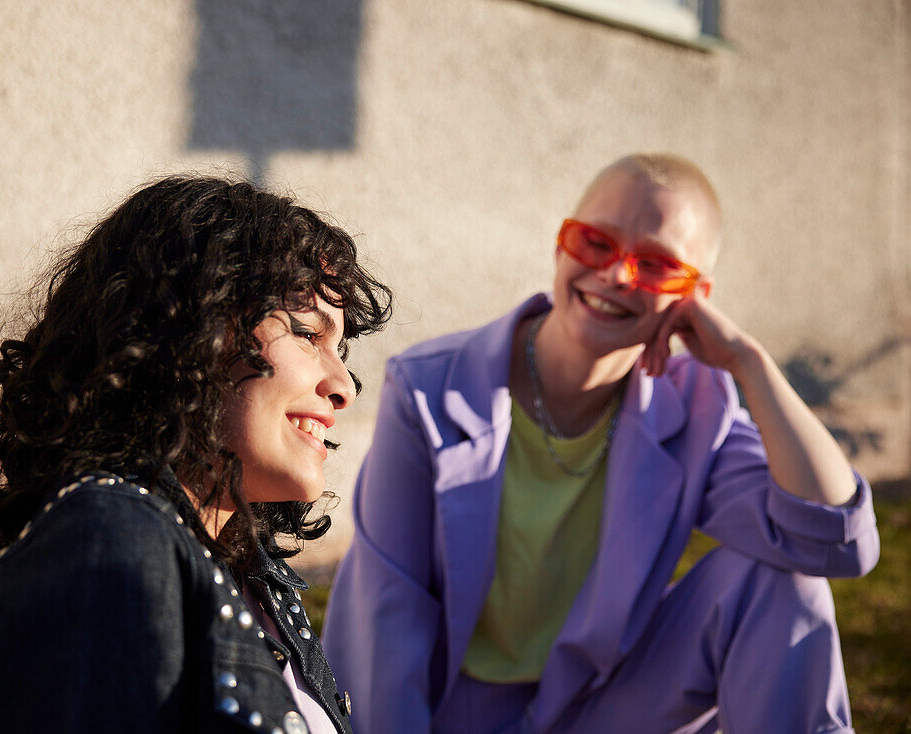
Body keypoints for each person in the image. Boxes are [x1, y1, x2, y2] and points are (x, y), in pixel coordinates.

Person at [322, 153, 880, 734]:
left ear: (695, 296)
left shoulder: (694, 405)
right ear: (562, 244)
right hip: (456, 713)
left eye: (657, 265)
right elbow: (386, 624)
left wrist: (750, 364)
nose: (617, 275)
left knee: (782, 579)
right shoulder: (429, 391)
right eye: (596, 242)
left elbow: (835, 543)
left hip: (599, 705)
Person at [0, 176, 392, 733]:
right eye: (306, 334)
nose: (344, 384)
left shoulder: (245, 572)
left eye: (340, 349)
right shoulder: (110, 548)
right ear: (189, 331)